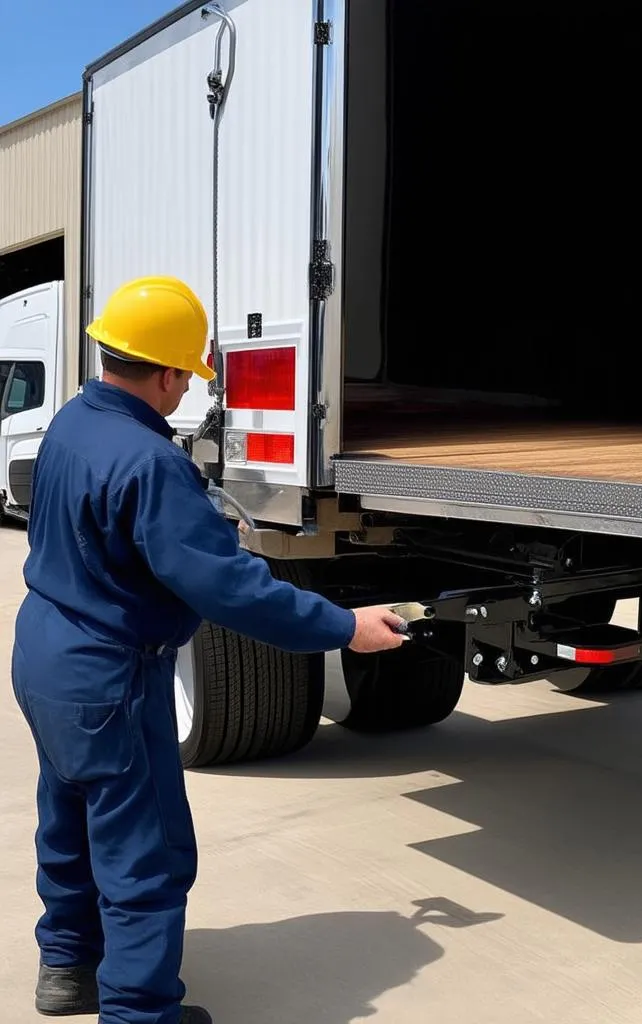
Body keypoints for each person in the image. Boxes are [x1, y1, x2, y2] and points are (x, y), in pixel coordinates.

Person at [11, 276, 408, 1024]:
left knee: (66, 814)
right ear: (164, 372)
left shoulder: (71, 422)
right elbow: (232, 592)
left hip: (44, 652)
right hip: (108, 672)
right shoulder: (150, 463)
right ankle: (139, 1013)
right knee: (146, 849)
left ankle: (66, 964)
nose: (184, 392)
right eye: (184, 378)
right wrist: (345, 627)